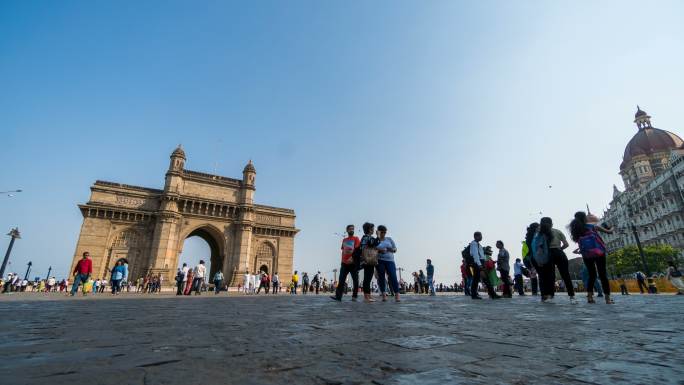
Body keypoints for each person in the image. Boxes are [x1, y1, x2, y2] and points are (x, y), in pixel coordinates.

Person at [570, 211, 613, 304]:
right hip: (598, 252)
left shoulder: (576, 231)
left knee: (592, 275)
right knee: (603, 275)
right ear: (584, 218)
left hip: (586, 255)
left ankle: (589, 297)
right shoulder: (592, 226)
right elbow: (609, 232)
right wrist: (611, 227)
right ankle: (607, 299)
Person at [539, 217, 577, 304]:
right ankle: (572, 297)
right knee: (566, 275)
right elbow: (566, 244)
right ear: (552, 224)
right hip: (559, 253)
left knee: (550, 276)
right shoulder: (558, 231)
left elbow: (539, 248)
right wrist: (560, 249)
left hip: (548, 254)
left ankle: (550, 296)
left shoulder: (540, 234)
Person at [375, 225, 400, 302]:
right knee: (381, 277)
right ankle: (383, 294)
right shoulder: (376, 240)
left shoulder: (389, 239)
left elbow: (395, 249)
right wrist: (379, 250)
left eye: (385, 232)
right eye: (382, 232)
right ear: (378, 232)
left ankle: (397, 294)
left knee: (393, 276)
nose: (384, 234)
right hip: (380, 261)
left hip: (390, 261)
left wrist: (391, 249)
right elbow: (373, 248)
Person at [359, 222, 379, 303]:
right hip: (368, 259)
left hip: (367, 259)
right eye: (373, 229)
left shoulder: (365, 237)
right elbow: (375, 243)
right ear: (369, 229)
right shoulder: (367, 237)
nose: (374, 230)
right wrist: (377, 236)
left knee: (368, 278)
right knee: (367, 278)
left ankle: (368, 295)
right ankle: (366, 296)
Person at [468, 232, 485, 300]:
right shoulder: (474, 243)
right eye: (480, 236)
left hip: (479, 263)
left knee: (476, 279)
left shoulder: (477, 244)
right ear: (476, 236)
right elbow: (475, 255)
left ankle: (474, 294)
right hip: (477, 263)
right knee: (475, 279)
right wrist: (479, 264)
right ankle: (474, 295)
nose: (481, 237)